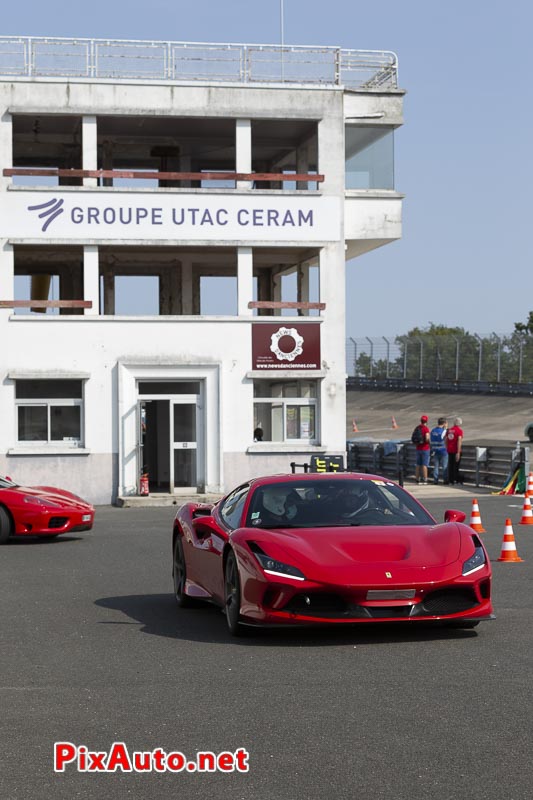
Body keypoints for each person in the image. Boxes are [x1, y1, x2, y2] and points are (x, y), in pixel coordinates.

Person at [430, 417, 448, 485]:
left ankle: (435, 480)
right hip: (443, 450)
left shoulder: (433, 431)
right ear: (444, 423)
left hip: (435, 450)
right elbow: (446, 440)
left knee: (436, 466)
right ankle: (445, 480)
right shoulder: (443, 431)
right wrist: (446, 428)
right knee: (444, 466)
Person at [446, 417, 464, 485]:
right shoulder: (459, 431)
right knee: (456, 466)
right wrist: (458, 452)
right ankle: (456, 480)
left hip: (449, 450)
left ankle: (451, 480)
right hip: (455, 450)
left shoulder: (449, 430)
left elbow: (446, 440)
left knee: (450, 466)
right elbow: (459, 441)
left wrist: (447, 447)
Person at [414, 414, 431, 484]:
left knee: (418, 464)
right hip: (425, 448)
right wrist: (429, 442)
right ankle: (425, 479)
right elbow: (427, 438)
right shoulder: (426, 428)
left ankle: (417, 479)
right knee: (424, 465)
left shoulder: (417, 427)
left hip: (418, 448)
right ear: (426, 421)